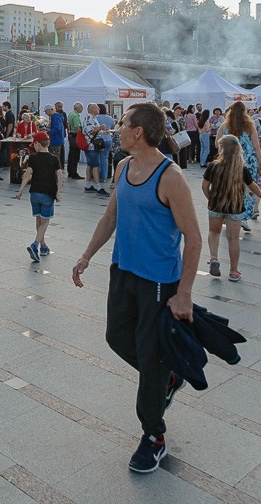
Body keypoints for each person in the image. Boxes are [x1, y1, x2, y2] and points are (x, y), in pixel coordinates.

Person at [71, 103, 203, 474]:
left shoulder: (171, 177)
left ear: (138, 132)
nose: (118, 128)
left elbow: (193, 239)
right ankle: (167, 376)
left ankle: (153, 437)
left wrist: (185, 293)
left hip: (159, 281)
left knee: (150, 355)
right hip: (123, 271)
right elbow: (111, 215)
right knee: (116, 337)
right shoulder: (123, 167)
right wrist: (86, 256)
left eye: (123, 123)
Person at [203, 135, 261, 282]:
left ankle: (213, 258)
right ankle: (233, 271)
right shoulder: (241, 168)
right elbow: (253, 186)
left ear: (222, 149)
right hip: (235, 207)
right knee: (233, 238)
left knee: (214, 232)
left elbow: (205, 186)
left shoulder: (213, 166)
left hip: (216, 205)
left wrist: (211, 198)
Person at [15, 131, 63, 261]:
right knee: (45, 221)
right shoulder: (54, 159)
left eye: (33, 144)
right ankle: (35, 244)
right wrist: (58, 193)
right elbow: (59, 176)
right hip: (48, 194)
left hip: (34, 193)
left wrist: (20, 190)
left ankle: (43, 247)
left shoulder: (33, 158)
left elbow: (27, 174)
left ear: (37, 143)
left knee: (38, 220)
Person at [217, 101, 261, 232]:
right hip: (247, 162)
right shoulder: (249, 125)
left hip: (229, 162)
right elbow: (256, 146)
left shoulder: (224, 125)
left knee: (229, 189)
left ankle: (228, 215)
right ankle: (243, 218)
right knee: (248, 189)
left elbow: (217, 144)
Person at [82, 103, 112, 196]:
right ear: (92, 109)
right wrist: (101, 128)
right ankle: (99, 187)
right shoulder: (89, 118)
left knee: (91, 165)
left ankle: (88, 185)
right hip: (92, 146)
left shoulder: (93, 118)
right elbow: (90, 131)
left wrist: (104, 131)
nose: (99, 109)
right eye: (97, 107)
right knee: (95, 166)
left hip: (92, 145)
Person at [66, 102, 84, 179]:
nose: (82, 109)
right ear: (78, 108)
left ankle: (70, 172)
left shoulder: (71, 114)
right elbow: (77, 128)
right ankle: (74, 173)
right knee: (75, 155)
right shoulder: (75, 116)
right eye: (81, 108)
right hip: (75, 136)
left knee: (71, 155)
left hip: (71, 135)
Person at [48, 103, 67, 167]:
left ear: (49, 110)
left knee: (55, 157)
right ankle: (58, 172)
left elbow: (57, 129)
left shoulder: (54, 117)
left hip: (55, 140)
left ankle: (56, 174)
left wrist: (48, 132)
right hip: (59, 139)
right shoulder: (58, 116)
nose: (45, 113)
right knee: (57, 157)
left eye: (46, 111)